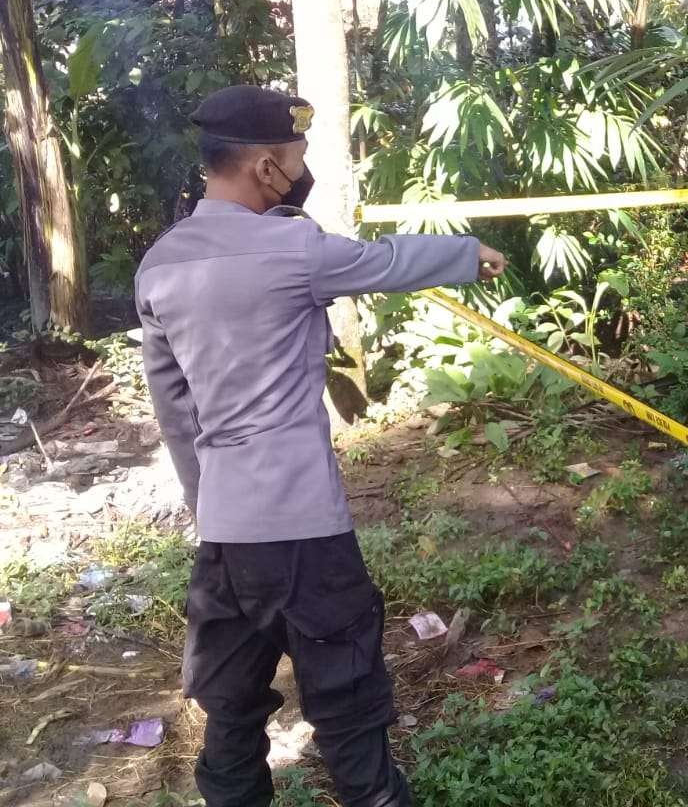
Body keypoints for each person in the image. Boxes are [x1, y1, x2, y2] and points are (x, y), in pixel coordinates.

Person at [135, 85, 506, 807]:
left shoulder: (159, 266)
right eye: (297, 158)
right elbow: (385, 261)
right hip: (307, 530)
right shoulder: (293, 248)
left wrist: (209, 505)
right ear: (266, 169)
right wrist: (470, 253)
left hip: (227, 538)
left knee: (233, 713)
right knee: (350, 711)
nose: (303, 172)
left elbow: (175, 413)